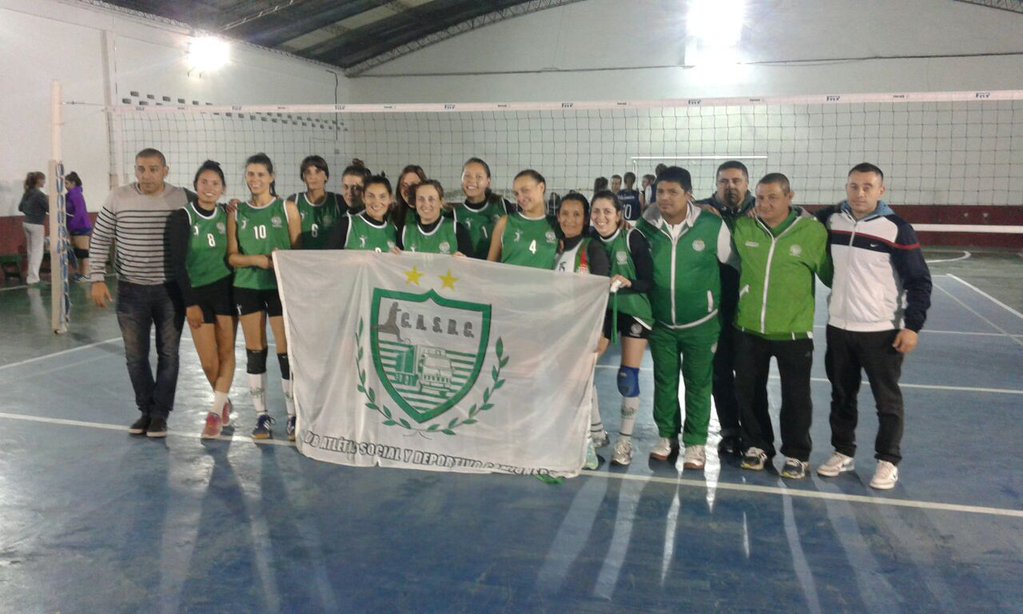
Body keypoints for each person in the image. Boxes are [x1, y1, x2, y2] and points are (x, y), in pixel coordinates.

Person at [815, 163, 932, 490]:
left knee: (887, 400)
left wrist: (912, 327)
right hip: (839, 327)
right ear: (846, 188)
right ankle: (843, 452)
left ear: (881, 191)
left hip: (882, 332)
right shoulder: (834, 220)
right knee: (841, 396)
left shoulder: (897, 228)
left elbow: (919, 281)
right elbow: (804, 217)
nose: (860, 193)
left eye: (868, 187)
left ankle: (887, 461)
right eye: (853, 186)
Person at [731, 173, 830, 479]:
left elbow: (831, 276)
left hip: (793, 331)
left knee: (796, 397)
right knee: (749, 392)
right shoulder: (744, 227)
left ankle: (797, 454)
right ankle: (757, 446)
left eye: (773, 197)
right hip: (748, 328)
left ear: (790, 197)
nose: (765, 203)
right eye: (760, 197)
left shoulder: (811, 232)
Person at [636, 166, 735, 470]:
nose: (665, 198)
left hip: (701, 325)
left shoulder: (711, 225)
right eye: (660, 192)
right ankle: (667, 436)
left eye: (673, 192)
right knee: (664, 382)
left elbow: (734, 265)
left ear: (688, 195)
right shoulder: (646, 225)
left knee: (698, 384)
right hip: (661, 324)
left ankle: (695, 443)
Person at [90, 148, 189, 438]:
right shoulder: (118, 197)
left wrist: (231, 207)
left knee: (168, 354)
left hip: (170, 291)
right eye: (141, 169)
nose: (147, 175)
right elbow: (100, 238)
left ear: (165, 171)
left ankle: (160, 415)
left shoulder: (182, 198)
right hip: (130, 290)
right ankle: (145, 410)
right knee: (135, 356)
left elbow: (208, 211)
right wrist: (97, 278)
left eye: (153, 169)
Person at [228, 153, 302, 441]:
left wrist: (280, 262)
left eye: (260, 174)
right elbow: (232, 256)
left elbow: (298, 253)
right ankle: (261, 415)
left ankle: (293, 415)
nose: (255, 179)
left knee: (285, 349)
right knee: (255, 349)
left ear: (271, 177)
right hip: (247, 286)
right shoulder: (237, 212)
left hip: (279, 286)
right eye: (250, 174)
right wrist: (257, 260)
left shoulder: (287, 208)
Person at [694, 160, 761, 456]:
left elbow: (801, 215)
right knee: (720, 372)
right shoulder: (700, 210)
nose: (730, 186)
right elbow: (659, 211)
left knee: (749, 375)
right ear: (716, 184)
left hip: (752, 305)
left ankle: (755, 436)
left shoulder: (763, 208)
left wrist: (765, 211)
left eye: (736, 181)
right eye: (724, 181)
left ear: (747, 183)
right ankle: (730, 431)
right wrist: (695, 210)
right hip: (714, 306)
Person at [167, 160, 237, 439]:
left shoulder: (228, 215)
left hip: (226, 291)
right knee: (209, 362)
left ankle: (215, 412)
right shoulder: (182, 217)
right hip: (196, 295)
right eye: (204, 182)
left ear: (223, 189)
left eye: (215, 183)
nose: (209, 187)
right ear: (195, 185)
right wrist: (189, 303)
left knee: (227, 352)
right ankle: (223, 399)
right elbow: (177, 264)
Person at [590, 190, 654, 466]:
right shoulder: (589, 241)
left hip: (634, 309)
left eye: (607, 211)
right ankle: (596, 432)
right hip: (603, 309)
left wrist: (629, 282)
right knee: (584, 368)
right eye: (596, 211)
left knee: (628, 377)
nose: (601, 217)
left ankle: (624, 442)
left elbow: (649, 281)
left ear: (619, 215)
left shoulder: (632, 238)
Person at [553, 192, 611, 470]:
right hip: (560, 328)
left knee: (577, 383)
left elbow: (604, 292)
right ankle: (597, 433)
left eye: (576, 214)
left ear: (586, 218)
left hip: (584, 328)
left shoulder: (592, 249)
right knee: (581, 381)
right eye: (565, 213)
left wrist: (603, 332)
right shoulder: (556, 248)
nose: (570, 219)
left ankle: (585, 446)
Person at [487, 169, 559, 269]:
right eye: (516, 194)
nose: (520, 198)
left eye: (525, 190)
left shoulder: (557, 225)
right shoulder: (505, 222)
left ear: (541, 187)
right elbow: (489, 267)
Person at [453, 157, 515, 258]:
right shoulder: (454, 215)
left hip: (502, 266)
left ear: (488, 182)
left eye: (478, 177)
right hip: (471, 267)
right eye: (467, 176)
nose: (472, 180)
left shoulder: (503, 206)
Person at [326, 175, 398, 251]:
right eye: (371, 196)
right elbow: (328, 256)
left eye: (382, 197)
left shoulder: (393, 230)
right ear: (363, 197)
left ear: (390, 198)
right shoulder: (348, 224)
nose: (376, 202)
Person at [399, 180, 472, 256]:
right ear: (415, 203)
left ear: (441, 202)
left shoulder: (457, 230)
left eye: (431, 199)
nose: (426, 204)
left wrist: (464, 260)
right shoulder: (405, 232)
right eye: (421, 199)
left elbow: (471, 262)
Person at [288, 155, 345, 249]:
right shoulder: (294, 201)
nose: (312, 176)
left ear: (326, 176)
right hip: (303, 256)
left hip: (331, 256)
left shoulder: (338, 201)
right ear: (303, 177)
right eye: (308, 172)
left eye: (317, 171)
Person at [18, 171, 48, 285]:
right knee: (37, 252)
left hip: (26, 223)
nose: (45, 182)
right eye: (44, 179)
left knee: (31, 251)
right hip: (37, 225)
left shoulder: (27, 193)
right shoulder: (39, 194)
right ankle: (34, 279)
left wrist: (30, 210)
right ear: (39, 180)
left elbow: (20, 207)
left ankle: (30, 276)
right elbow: (49, 208)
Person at [64, 171, 93, 281]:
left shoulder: (76, 195)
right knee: (78, 253)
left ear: (73, 183)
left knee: (83, 252)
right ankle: (81, 273)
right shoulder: (69, 195)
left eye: (67, 183)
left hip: (81, 227)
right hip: (75, 228)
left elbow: (79, 212)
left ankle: (86, 274)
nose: (65, 186)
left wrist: (72, 225)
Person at [393, 164, 427, 231]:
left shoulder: (440, 215)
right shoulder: (393, 216)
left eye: (414, 185)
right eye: (404, 185)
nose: (408, 190)